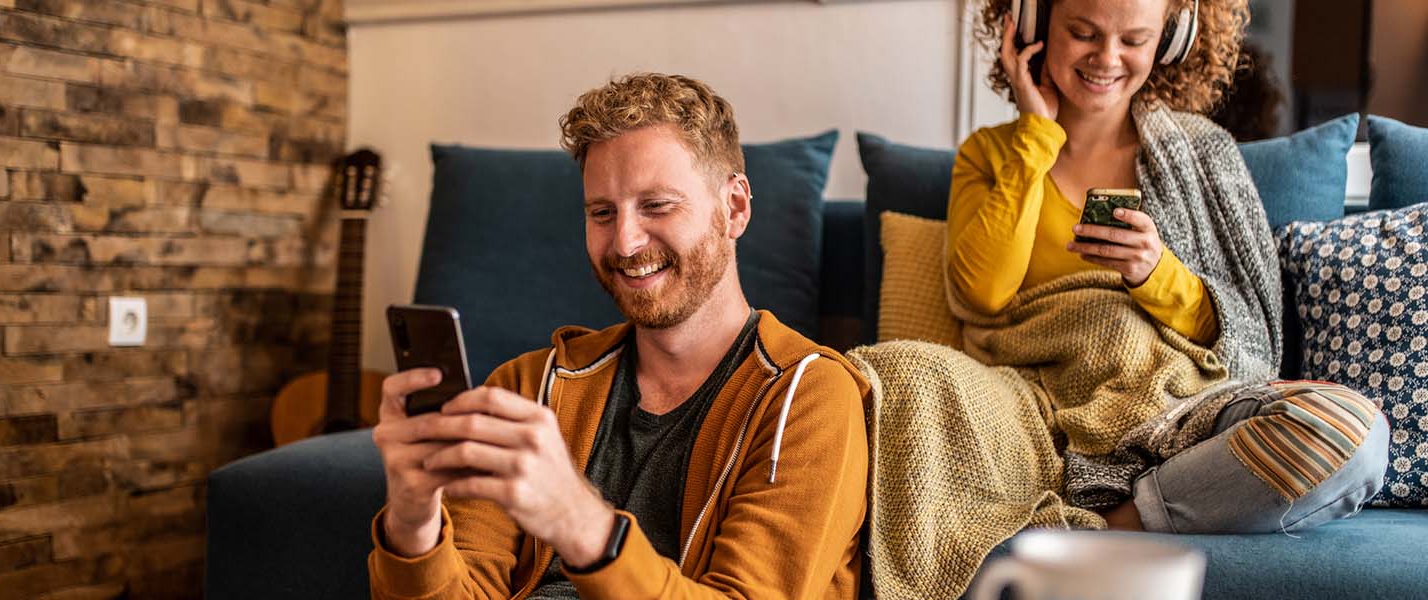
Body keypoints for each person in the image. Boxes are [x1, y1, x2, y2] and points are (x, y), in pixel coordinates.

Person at [850, 1, 1389, 597]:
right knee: (894, 370)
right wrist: (1036, 133)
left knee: (1351, 432)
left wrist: (1155, 272)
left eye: (1134, 40)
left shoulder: (1203, 155)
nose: (1106, 59)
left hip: (1184, 410)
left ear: (1171, 40)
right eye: (1083, 33)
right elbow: (980, 292)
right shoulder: (993, 154)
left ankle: (1112, 525)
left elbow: (1249, 333)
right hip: (1032, 411)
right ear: (1032, 26)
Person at [367, 73, 871, 600]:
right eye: (602, 213)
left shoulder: (808, 397)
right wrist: (411, 520)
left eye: (657, 206)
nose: (626, 244)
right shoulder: (525, 387)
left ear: (735, 208)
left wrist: (579, 521)